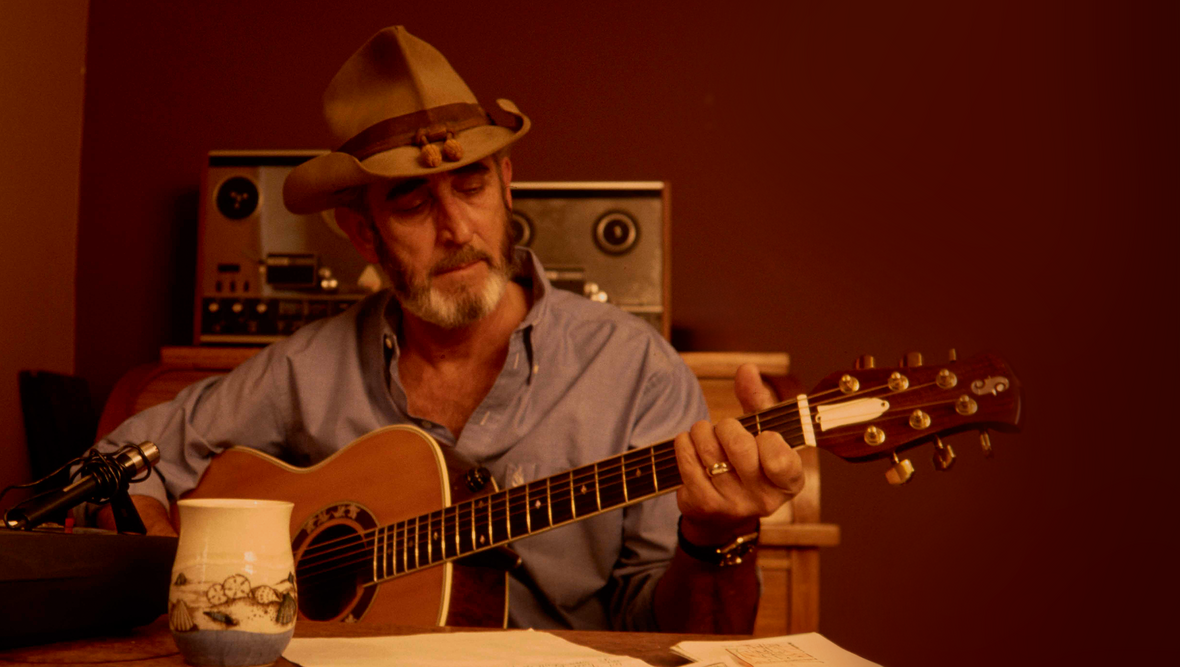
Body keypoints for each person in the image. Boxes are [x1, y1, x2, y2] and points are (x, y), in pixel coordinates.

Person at [90, 26, 803, 633]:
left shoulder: (635, 369)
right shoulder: (308, 368)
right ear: (363, 232)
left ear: (507, 184)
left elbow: (673, 636)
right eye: (412, 202)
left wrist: (715, 540)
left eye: (472, 185)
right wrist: (182, 576)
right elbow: (119, 463)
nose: (456, 228)